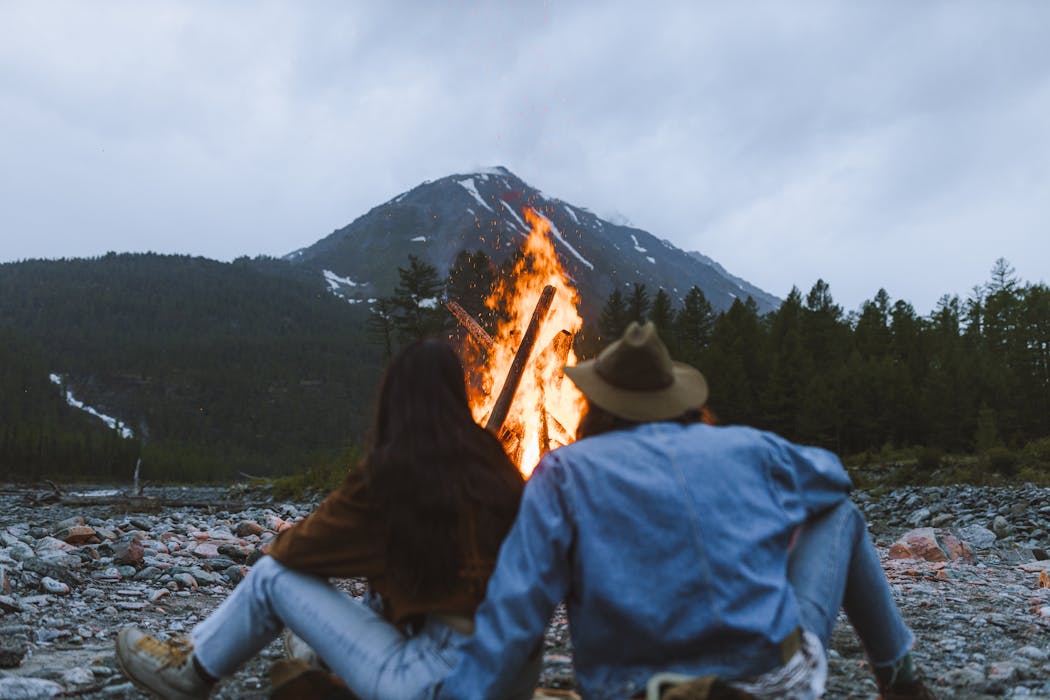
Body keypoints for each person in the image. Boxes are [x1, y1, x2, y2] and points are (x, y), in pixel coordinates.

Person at [439, 321, 935, 700]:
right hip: (775, 685)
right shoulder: (748, 448)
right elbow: (833, 480)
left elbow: (518, 612)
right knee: (839, 514)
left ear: (598, 404)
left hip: (631, 689)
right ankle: (899, 677)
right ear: (678, 399)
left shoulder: (563, 472)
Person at [115, 340, 539, 700]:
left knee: (271, 579)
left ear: (392, 398)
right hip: (510, 676)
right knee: (374, 601)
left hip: (437, 681)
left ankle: (189, 671)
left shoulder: (397, 469)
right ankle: (320, 663)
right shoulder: (497, 465)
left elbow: (292, 551)